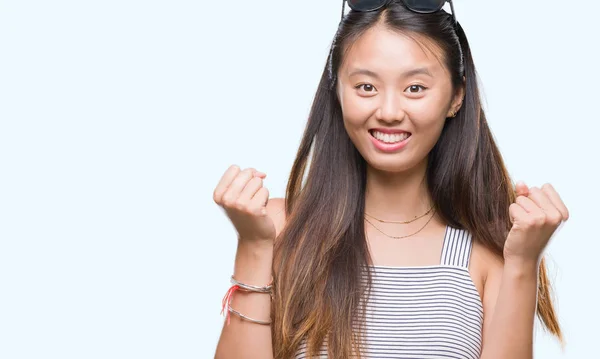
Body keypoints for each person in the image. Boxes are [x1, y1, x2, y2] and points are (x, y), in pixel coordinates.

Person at [213, 1, 569, 358]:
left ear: (456, 97)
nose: (388, 112)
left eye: (415, 88)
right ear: (336, 91)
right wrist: (254, 246)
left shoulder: (485, 255)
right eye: (366, 87)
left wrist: (523, 262)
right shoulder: (279, 228)